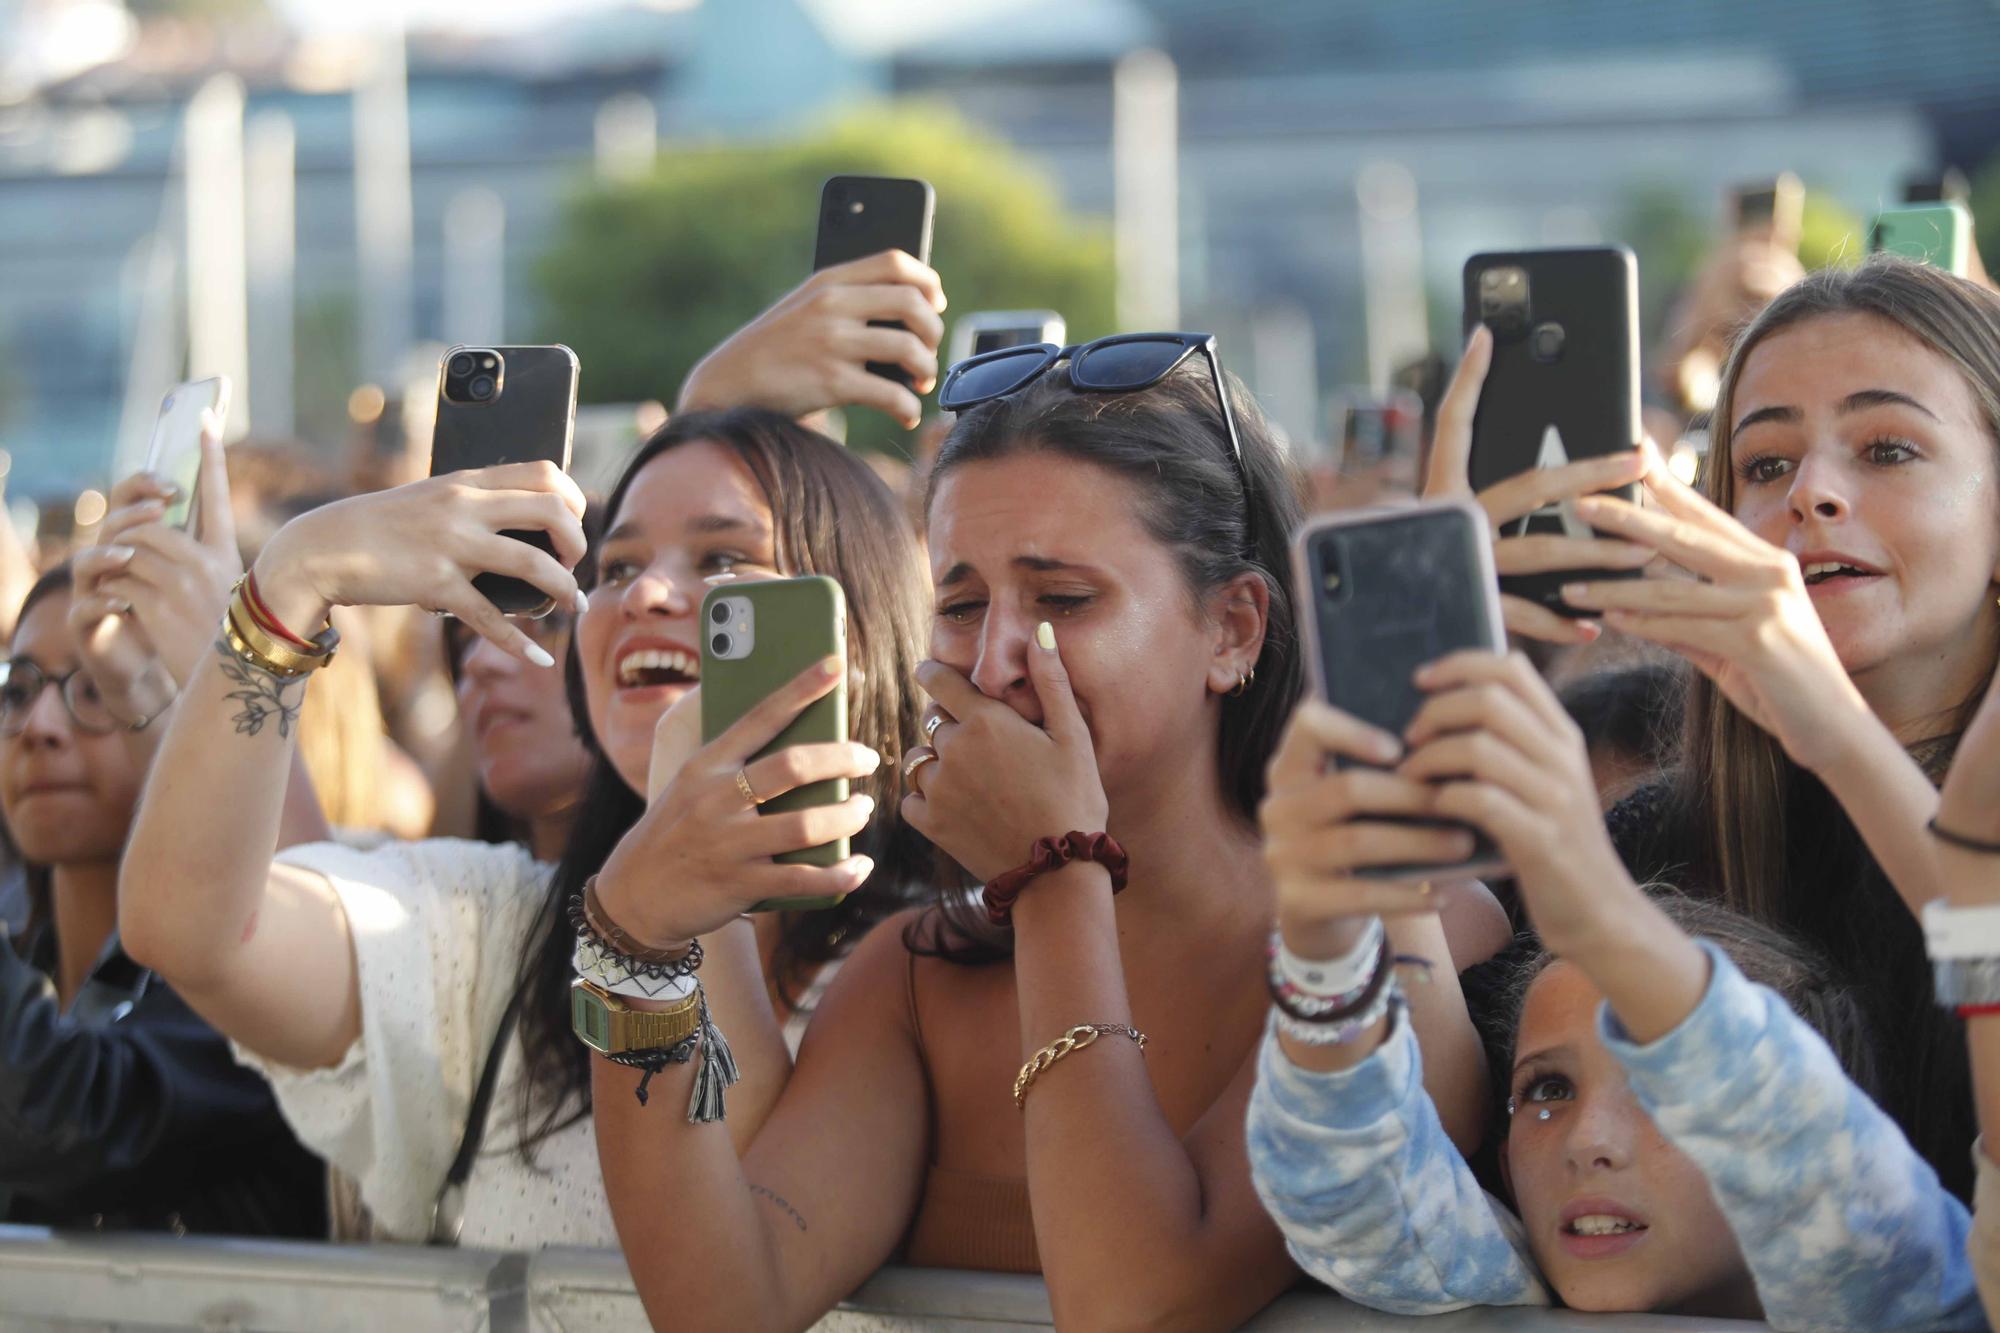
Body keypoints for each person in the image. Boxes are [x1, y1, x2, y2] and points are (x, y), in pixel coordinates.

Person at [587, 335, 1510, 1331]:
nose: (993, 663)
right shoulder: (915, 974)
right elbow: (723, 1303)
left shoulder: (1405, 930)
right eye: (960, 604)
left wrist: (1056, 872)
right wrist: (637, 942)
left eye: (1063, 600)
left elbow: (1134, 1302)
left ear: (1233, 628)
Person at [115, 255, 946, 1248]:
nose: (641, 596)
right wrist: (291, 581)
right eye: (620, 563)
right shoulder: (498, 930)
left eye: (722, 561)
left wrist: (682, 906)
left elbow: (740, 1256)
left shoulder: (928, 964)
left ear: (856, 623)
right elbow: (193, 929)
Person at [1429, 255, 2000, 1196]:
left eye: (1887, 448)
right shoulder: (1657, 838)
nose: (1811, 492)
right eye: (1765, 464)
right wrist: (1412, 636)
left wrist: (1839, 734)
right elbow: (1459, 1142)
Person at [1246, 651, 1982, 1329]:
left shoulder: (1904, 1301)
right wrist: (1322, 924)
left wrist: (1597, 906)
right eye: (1548, 1089)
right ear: (1505, 1163)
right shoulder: (1492, 1278)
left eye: (1669, 1086)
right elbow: (1356, 1184)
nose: (1588, 1142)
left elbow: (1804, 1145)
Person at [0, 532, 322, 1235]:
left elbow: (67, 1115)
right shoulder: (21, 952)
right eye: (17, 688)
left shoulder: (244, 979)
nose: (39, 727)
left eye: (95, 686)